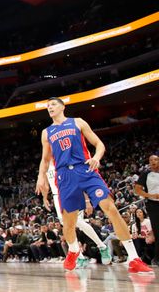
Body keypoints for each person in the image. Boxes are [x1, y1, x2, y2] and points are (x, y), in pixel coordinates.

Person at [35, 97, 154, 274]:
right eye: (47, 106)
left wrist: (96, 158)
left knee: (111, 209)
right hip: (65, 176)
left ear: (62, 107)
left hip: (86, 169)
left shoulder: (77, 122)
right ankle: (74, 250)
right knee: (68, 223)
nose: (49, 107)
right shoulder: (47, 132)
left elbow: (99, 144)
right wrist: (40, 177)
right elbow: (45, 159)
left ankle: (134, 258)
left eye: (53, 104)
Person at [45, 162, 111, 266]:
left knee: (77, 222)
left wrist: (87, 200)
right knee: (67, 227)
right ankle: (80, 257)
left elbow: (78, 179)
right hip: (57, 196)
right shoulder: (45, 163)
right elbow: (46, 183)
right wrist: (45, 197)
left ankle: (101, 246)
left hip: (71, 192)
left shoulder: (62, 158)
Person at [134, 154, 159, 266]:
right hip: (153, 205)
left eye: (156, 159)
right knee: (157, 231)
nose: (153, 161)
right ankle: (157, 258)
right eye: (151, 160)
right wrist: (150, 195)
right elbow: (137, 190)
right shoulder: (146, 174)